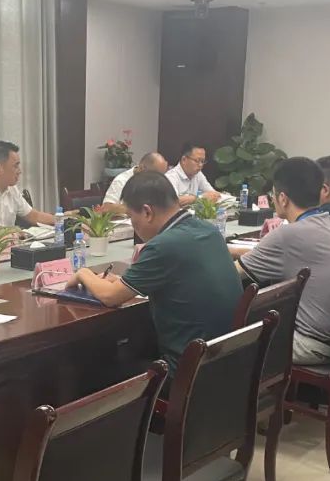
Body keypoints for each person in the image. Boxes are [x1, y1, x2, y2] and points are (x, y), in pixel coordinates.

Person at [64, 171, 241, 376]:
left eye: (131, 217)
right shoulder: (208, 230)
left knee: (92, 368)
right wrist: (121, 281)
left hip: (185, 373)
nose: (133, 224)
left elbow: (111, 297)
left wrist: (84, 273)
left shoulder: (163, 245)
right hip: (226, 364)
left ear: (147, 212)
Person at [231, 157, 330, 366]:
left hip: (311, 345)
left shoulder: (287, 235)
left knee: (232, 334)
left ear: (283, 198)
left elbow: (231, 274)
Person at [102, 151, 168, 208]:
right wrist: (135, 210)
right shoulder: (121, 181)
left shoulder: (157, 182)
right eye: (156, 175)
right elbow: (107, 207)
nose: (159, 179)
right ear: (142, 168)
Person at [164, 142, 221, 207]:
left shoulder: (198, 174)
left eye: (202, 161)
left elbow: (212, 193)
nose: (200, 165)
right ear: (184, 159)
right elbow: (173, 201)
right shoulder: (170, 177)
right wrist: (199, 198)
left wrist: (216, 196)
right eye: (197, 160)